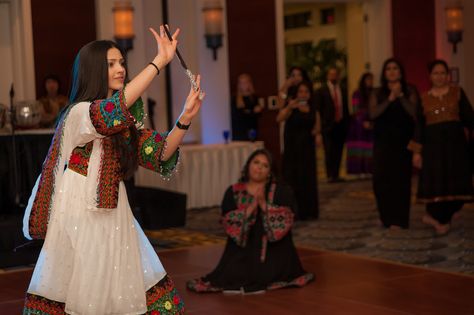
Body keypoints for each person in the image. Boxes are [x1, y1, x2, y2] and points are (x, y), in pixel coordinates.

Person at [22, 25, 203, 314]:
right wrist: (158, 62)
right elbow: (108, 113)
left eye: (122, 62)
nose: (121, 68)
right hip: (80, 211)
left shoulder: (122, 122)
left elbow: (159, 153)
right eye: (111, 64)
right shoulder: (79, 113)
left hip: (114, 210)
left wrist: (185, 118)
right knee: (87, 284)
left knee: (121, 282)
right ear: (94, 70)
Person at [187, 149, 314, 294]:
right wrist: (250, 209)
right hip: (242, 249)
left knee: (264, 275)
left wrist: (264, 206)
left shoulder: (282, 191)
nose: (259, 168)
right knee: (235, 275)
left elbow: (288, 218)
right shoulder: (234, 191)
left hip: (274, 251)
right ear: (248, 165)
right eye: (256, 163)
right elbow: (228, 221)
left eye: (265, 166)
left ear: (270, 172)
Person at [410, 59, 474, 235]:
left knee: (457, 183)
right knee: (435, 182)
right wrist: (417, 152)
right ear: (430, 76)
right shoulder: (423, 98)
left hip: (456, 148)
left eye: (443, 73)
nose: (439, 76)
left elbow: (470, 118)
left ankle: (446, 214)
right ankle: (439, 219)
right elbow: (419, 128)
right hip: (433, 150)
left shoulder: (457, 93)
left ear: (448, 75)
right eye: (435, 73)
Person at [369, 58, 418, 229]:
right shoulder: (377, 92)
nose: (391, 71)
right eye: (388, 68)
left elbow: (414, 113)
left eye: (395, 68)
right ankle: (386, 217)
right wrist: (390, 98)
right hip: (382, 143)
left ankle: (400, 220)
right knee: (380, 181)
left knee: (401, 182)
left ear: (401, 72)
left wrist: (401, 96)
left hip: (402, 144)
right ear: (384, 73)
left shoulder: (410, 89)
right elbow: (373, 114)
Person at [277, 81, 319, 220]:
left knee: (307, 179)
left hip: (307, 150)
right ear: (296, 94)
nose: (303, 94)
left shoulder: (313, 108)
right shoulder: (292, 107)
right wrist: (289, 106)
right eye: (301, 92)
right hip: (293, 150)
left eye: (306, 92)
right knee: (293, 179)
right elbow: (279, 118)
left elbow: (317, 127)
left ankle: (308, 211)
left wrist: (317, 134)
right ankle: (292, 211)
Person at [316, 67, 349, 183]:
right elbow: (318, 110)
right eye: (331, 74)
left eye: (335, 74)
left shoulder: (343, 89)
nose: (333, 76)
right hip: (327, 126)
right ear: (328, 76)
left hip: (340, 125)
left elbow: (345, 108)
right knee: (329, 150)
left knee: (339, 150)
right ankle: (330, 174)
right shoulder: (321, 91)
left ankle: (336, 174)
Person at [346, 72, 374, 177]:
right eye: (368, 79)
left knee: (369, 149)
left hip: (371, 124)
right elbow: (355, 110)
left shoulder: (373, 93)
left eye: (371, 80)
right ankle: (359, 170)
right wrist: (363, 121)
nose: (370, 82)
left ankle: (368, 170)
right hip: (358, 126)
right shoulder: (357, 93)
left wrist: (372, 122)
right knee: (359, 148)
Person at [230, 73, 263, 141]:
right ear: (239, 85)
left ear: (249, 84)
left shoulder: (254, 97)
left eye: (245, 82)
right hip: (240, 132)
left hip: (253, 130)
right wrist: (252, 111)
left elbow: (259, 113)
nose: (244, 85)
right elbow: (239, 115)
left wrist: (249, 112)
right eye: (242, 83)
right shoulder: (235, 99)